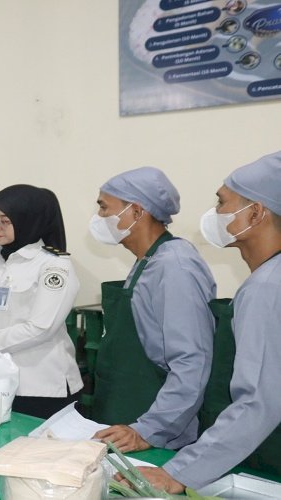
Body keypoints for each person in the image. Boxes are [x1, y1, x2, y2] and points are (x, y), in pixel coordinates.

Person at [137, 152, 281, 492]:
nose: (215, 213)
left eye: (222, 202)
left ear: (256, 212)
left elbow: (258, 401)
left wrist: (178, 473)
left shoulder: (267, 286)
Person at [89, 167, 216, 453]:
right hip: (127, 417)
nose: (98, 218)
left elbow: (191, 361)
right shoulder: (148, 260)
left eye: (104, 208)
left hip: (155, 430)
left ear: (136, 212)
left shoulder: (176, 266)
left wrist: (149, 429)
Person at [0, 184, 82, 419]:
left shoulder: (53, 266)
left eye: (5, 220)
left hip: (38, 387)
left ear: (27, 220)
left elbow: (40, 328)